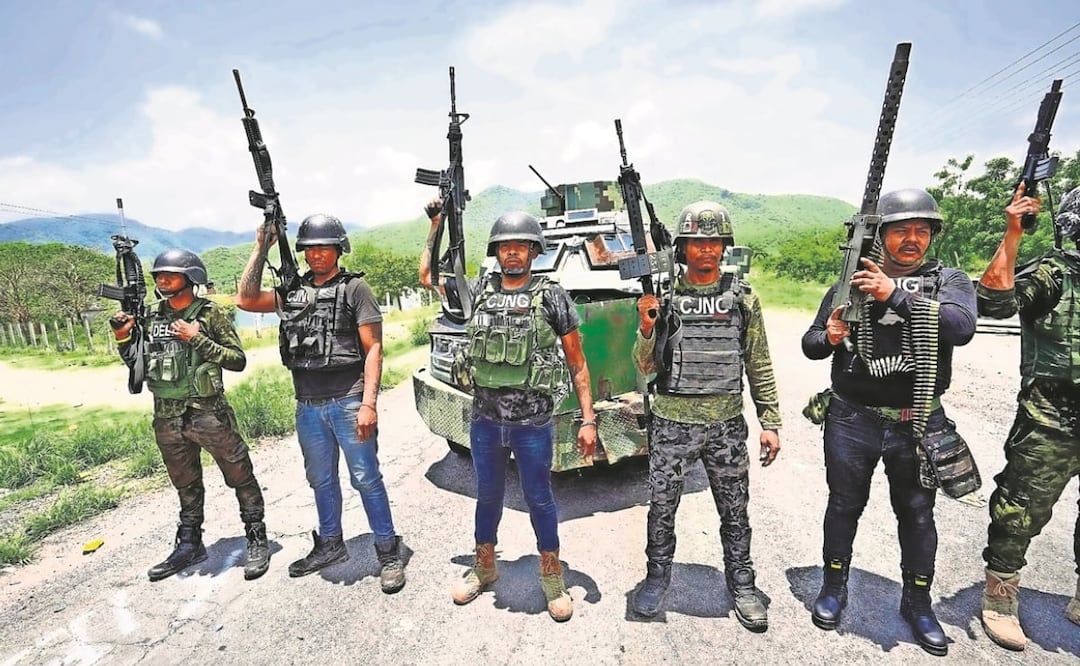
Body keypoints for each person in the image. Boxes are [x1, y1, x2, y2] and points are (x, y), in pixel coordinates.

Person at [801, 188, 977, 656]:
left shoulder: (949, 282)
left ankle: (918, 602)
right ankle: (834, 586)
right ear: (881, 236)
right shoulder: (851, 282)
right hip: (851, 419)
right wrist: (830, 335)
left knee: (917, 514)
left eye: (922, 230)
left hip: (916, 420)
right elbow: (812, 342)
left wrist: (894, 295)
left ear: (933, 236)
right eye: (901, 230)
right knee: (843, 505)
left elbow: (960, 328)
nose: (912, 239)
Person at [423, 207, 598, 622]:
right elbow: (428, 278)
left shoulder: (551, 294)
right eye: (505, 247)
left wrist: (588, 419)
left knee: (540, 498)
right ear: (496, 253)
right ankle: (485, 566)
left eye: (521, 246)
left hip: (533, 423)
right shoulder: (480, 291)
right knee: (488, 497)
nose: (513, 254)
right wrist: (435, 227)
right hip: (485, 419)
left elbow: (577, 361)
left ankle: (552, 577)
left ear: (534, 251)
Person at [629, 201, 781, 631]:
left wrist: (770, 422)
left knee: (735, 510)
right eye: (696, 242)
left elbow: (759, 363)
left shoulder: (743, 298)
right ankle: (657, 578)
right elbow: (643, 366)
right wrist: (645, 328)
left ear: (725, 247)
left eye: (714, 241)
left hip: (726, 427)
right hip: (673, 426)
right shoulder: (664, 300)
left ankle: (743, 582)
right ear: (682, 248)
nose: (706, 250)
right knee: (661, 508)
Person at [235, 214, 406, 594]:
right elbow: (246, 299)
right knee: (321, 480)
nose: (315, 256)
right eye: (309, 249)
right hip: (308, 404)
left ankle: (388, 551)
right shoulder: (293, 291)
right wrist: (261, 245)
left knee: (365, 478)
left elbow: (374, 348)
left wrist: (369, 403)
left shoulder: (355, 288)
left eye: (323, 248)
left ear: (338, 249)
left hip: (348, 400)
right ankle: (330, 544)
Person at [111, 248, 270, 582]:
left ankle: (256, 536)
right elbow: (137, 364)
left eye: (170, 274)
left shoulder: (210, 314)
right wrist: (124, 336)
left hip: (208, 414)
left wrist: (198, 339)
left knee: (239, 474)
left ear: (191, 278)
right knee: (186, 485)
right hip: (167, 418)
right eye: (158, 275)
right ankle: (189, 544)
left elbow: (236, 360)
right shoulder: (151, 317)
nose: (162, 279)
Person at [976, 182, 1080, 650]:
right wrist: (1013, 234)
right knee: (1020, 511)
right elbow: (994, 303)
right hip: (1050, 422)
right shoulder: (1054, 274)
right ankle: (1000, 596)